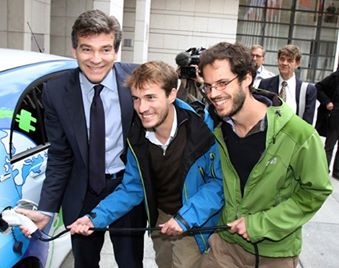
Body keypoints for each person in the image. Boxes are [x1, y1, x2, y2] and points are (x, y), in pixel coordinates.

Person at [15, 9, 146, 268]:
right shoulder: (55, 92)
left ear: (116, 51)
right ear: (74, 50)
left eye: (105, 49)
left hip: (126, 188)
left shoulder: (136, 80)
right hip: (83, 191)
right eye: (87, 49)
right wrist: (46, 209)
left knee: (131, 263)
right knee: (84, 263)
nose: (96, 59)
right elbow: (60, 155)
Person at [69, 61, 224, 268]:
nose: (142, 108)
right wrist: (94, 218)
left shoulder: (202, 129)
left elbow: (217, 183)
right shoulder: (137, 137)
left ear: (171, 95)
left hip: (197, 218)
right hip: (163, 219)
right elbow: (133, 188)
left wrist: (186, 218)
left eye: (151, 97)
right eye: (136, 99)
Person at [199, 42, 332, 268]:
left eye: (222, 83)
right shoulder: (217, 129)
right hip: (225, 247)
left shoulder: (299, 134)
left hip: (275, 254)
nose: (213, 94)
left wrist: (260, 224)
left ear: (247, 78)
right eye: (208, 86)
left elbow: (315, 192)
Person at [259, 44, 317, 125]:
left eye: (289, 60)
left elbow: (307, 124)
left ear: (297, 63)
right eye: (282, 59)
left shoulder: (307, 90)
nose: (284, 63)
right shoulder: (265, 84)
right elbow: (259, 114)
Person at [315, 69, 339, 179]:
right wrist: (327, 102)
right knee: (330, 145)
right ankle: (323, 170)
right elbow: (318, 87)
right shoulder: (335, 76)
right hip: (335, 116)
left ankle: (337, 172)